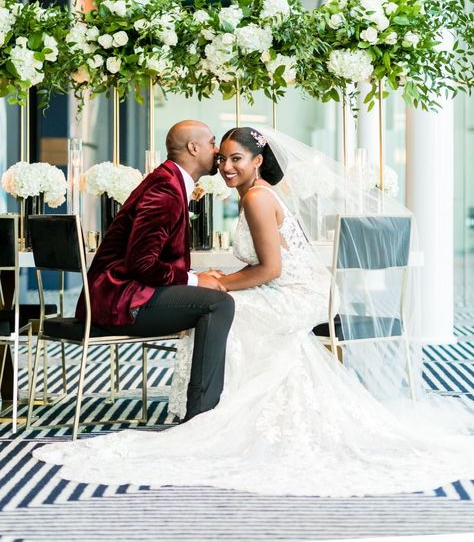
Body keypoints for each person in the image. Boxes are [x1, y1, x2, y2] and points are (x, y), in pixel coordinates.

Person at [35, 127, 474, 497]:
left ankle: (213, 413)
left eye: (235, 158)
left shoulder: (256, 198)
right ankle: (227, 408)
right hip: (280, 285)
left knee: (225, 307)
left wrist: (220, 282)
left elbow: (271, 268)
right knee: (222, 306)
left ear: (258, 160)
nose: (225, 166)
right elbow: (256, 266)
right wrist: (213, 280)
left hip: (299, 292)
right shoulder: (236, 193)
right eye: (221, 156)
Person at [75, 120, 235, 421]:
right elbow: (142, 263)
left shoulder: (169, 181)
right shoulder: (166, 189)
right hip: (120, 300)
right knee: (219, 304)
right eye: (212, 143)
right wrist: (194, 279)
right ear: (193, 147)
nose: (217, 151)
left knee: (212, 297)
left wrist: (196, 276)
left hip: (121, 293)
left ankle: (204, 407)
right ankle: (201, 416)